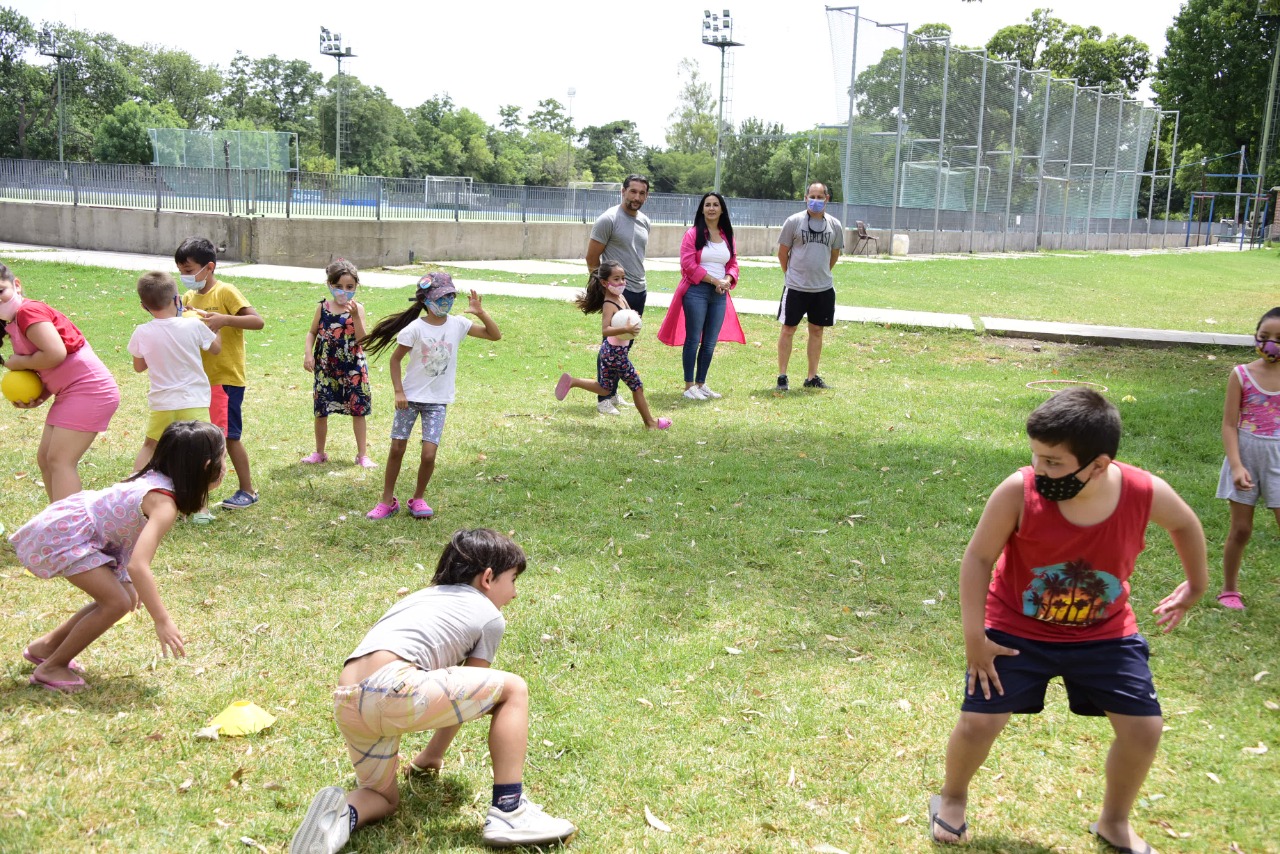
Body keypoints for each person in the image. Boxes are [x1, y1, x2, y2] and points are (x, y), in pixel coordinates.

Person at [930, 387, 1207, 853]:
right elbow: (978, 558)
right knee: (979, 722)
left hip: (1104, 632)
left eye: (1054, 462)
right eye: (1036, 456)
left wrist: (1195, 585)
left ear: (1098, 464)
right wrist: (974, 637)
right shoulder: (1018, 490)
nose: (1040, 469)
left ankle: (1114, 822)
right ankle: (952, 797)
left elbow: (1185, 524)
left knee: (1144, 729)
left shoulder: (1143, 492)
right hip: (1017, 627)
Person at [289, 528, 577, 854]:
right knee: (514, 690)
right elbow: (465, 700)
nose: (514, 593)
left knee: (382, 797)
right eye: (512, 580)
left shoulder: (421, 597)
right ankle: (510, 809)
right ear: (487, 578)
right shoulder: (489, 616)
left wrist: (428, 756)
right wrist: (432, 754)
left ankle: (342, 817)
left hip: (348, 701)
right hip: (394, 688)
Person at [11, 421, 225, 694]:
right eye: (222, 459)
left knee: (124, 597)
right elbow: (139, 564)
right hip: (67, 535)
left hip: (79, 531)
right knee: (116, 603)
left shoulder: (156, 479)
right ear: (207, 466)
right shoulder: (164, 504)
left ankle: (46, 647)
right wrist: (162, 619)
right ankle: (51, 668)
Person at [358, 273, 501, 520]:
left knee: (429, 454)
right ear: (426, 300)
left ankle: (418, 498)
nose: (446, 301)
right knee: (397, 448)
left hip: (437, 401)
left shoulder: (458, 324)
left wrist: (480, 312)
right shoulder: (414, 328)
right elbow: (395, 360)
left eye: (449, 296)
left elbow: (494, 335)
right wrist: (399, 391)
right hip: (410, 399)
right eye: (440, 297)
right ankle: (386, 500)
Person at [0, 262, 121, 502]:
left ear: (17, 285)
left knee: (60, 461)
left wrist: (19, 363)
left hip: (91, 390)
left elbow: (55, 353)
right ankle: (58, 523)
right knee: (46, 459)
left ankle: (72, 531)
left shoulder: (28, 311)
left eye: (0, 291)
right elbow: (49, 365)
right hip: (69, 392)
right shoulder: (12, 321)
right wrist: (40, 396)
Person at [176, 236, 265, 510]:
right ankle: (195, 491)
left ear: (209, 267)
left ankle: (248, 490)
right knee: (199, 437)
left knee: (229, 436)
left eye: (189, 271)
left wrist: (224, 319)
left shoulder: (226, 292)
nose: (186, 277)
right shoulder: (189, 298)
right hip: (198, 380)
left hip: (225, 379)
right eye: (181, 272)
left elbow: (257, 321)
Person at [1214, 306, 1280, 611]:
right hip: (1246, 457)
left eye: (1278, 339)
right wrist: (1237, 465)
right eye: (1264, 336)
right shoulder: (1241, 375)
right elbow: (1229, 424)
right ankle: (1229, 589)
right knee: (1241, 530)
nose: (1270, 344)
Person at [553, 261, 671, 430]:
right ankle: (650, 423)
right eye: (616, 279)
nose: (621, 282)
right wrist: (626, 328)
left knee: (604, 388)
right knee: (637, 387)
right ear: (604, 282)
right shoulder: (609, 303)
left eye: (623, 278)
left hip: (611, 352)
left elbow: (629, 314)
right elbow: (606, 329)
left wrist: (634, 320)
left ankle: (573, 381)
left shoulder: (620, 297)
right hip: (615, 353)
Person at [127, 271, 221, 473]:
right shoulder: (194, 324)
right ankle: (200, 503)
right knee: (202, 451)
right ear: (177, 299)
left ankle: (134, 487)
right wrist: (215, 326)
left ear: (144, 306)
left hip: (162, 403)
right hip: (193, 400)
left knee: (150, 446)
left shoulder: (141, 331)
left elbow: (139, 367)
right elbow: (216, 348)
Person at [657, 191, 745, 400]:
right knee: (693, 338)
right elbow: (688, 265)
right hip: (696, 291)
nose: (712, 208)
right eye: (708, 205)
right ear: (702, 209)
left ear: (722, 209)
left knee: (710, 342)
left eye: (716, 204)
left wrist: (727, 279)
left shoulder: (727, 235)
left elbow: (733, 264)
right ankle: (689, 386)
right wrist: (715, 281)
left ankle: (701, 383)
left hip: (720, 294)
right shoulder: (693, 234)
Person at [585, 175, 651, 415]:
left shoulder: (644, 221)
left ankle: (611, 392)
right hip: (617, 293)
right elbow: (592, 259)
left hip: (638, 291)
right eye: (632, 192)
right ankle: (603, 398)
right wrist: (605, 290)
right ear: (623, 191)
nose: (637, 197)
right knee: (609, 345)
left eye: (642, 193)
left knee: (623, 345)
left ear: (646, 196)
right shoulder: (608, 219)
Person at [301, 260, 373, 467]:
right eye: (339, 287)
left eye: (350, 287)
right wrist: (308, 354)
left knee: (358, 409)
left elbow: (362, 341)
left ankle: (362, 455)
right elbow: (312, 332)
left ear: (356, 287)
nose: (344, 291)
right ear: (330, 285)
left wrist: (355, 317)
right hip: (326, 367)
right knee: (321, 409)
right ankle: (319, 452)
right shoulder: (322, 307)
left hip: (353, 367)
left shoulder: (358, 308)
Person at [775, 182, 843, 391]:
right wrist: (792, 275)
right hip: (796, 288)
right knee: (788, 329)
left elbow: (834, 255)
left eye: (820, 196)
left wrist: (820, 273)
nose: (815, 200)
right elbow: (782, 253)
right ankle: (782, 376)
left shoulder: (835, 225)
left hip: (822, 289)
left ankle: (812, 376)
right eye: (812, 196)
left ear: (827, 198)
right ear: (806, 198)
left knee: (817, 330)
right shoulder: (793, 222)